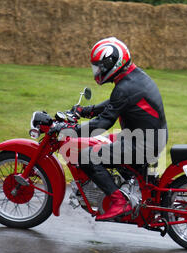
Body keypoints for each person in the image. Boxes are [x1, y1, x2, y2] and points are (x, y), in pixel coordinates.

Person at [70, 37, 168, 221]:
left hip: (143, 143)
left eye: (99, 66)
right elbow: (115, 103)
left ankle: (119, 201)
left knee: (86, 157)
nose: (97, 71)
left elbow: (103, 124)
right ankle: (128, 185)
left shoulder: (124, 87)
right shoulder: (133, 77)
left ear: (112, 64)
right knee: (108, 144)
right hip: (148, 136)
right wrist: (86, 111)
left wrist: (72, 130)